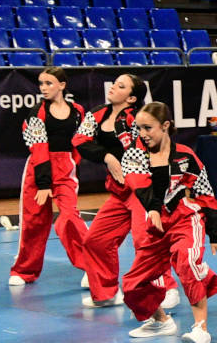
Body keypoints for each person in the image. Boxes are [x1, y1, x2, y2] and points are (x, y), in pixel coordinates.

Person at [121, 101, 217, 343]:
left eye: (148, 128)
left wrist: (215, 233)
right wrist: (154, 209)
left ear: (166, 125)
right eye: (139, 128)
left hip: (184, 218)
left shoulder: (185, 155)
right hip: (155, 225)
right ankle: (160, 321)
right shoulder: (134, 154)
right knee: (133, 285)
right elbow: (140, 184)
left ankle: (201, 330)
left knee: (186, 262)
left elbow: (205, 192)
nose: (142, 134)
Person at [74, 72, 175, 310]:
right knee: (95, 240)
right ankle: (106, 293)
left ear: (131, 98)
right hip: (119, 190)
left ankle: (166, 288)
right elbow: (79, 141)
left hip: (141, 187)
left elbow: (147, 150)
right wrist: (107, 157)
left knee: (146, 240)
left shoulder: (135, 120)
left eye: (121, 86)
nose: (113, 88)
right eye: (114, 84)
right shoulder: (98, 113)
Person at [8, 65, 97, 288]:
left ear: (62, 85)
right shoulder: (37, 112)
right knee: (34, 222)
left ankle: (92, 266)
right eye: (41, 83)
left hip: (65, 169)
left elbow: (80, 141)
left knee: (69, 218)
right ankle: (24, 270)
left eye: (48, 83)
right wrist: (44, 183)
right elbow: (38, 149)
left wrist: (71, 164)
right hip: (39, 169)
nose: (43, 88)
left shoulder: (77, 110)